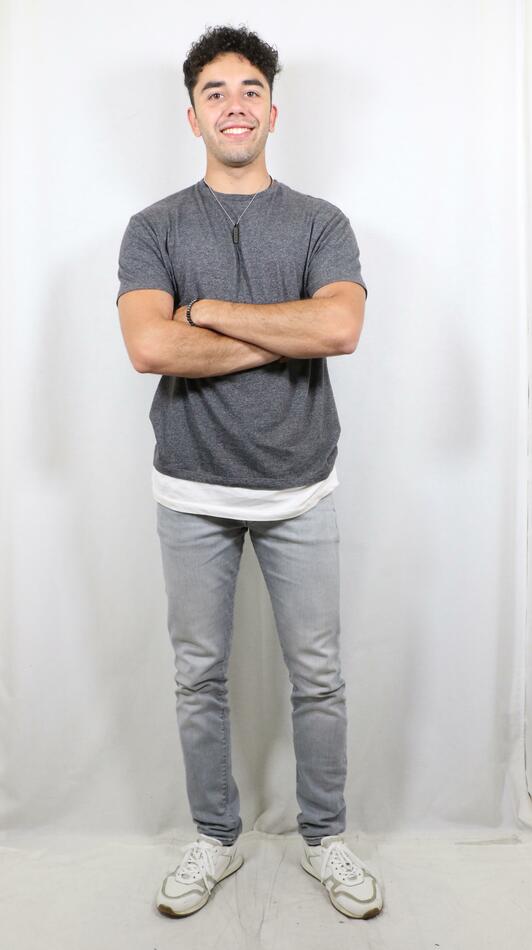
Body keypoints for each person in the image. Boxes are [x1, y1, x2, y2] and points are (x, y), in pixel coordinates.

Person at [116, 23, 383, 921]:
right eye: (216, 93)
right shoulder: (153, 227)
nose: (235, 105)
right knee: (199, 676)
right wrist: (285, 328)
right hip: (190, 488)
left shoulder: (320, 222)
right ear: (192, 116)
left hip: (301, 485)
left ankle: (326, 838)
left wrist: (211, 313)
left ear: (274, 110)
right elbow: (151, 348)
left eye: (250, 90)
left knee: (319, 676)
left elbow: (339, 328)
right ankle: (214, 837)